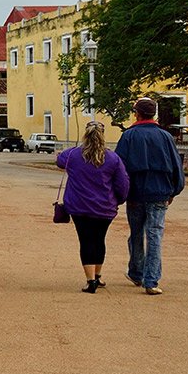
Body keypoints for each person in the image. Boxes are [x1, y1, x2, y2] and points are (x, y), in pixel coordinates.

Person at [114, 97, 185, 295]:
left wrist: (119, 193)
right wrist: (174, 191)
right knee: (155, 235)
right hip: (159, 192)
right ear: (153, 114)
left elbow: (119, 168)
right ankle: (151, 280)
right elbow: (175, 166)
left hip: (135, 194)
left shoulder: (128, 136)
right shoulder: (165, 137)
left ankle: (136, 272)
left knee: (136, 233)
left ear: (137, 113)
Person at [57, 121, 129, 293]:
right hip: (105, 207)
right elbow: (123, 183)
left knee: (86, 240)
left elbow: (60, 160)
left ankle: (90, 281)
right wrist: (118, 200)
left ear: (85, 134)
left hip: (79, 207)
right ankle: (97, 275)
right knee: (99, 240)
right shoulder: (112, 158)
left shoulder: (73, 155)